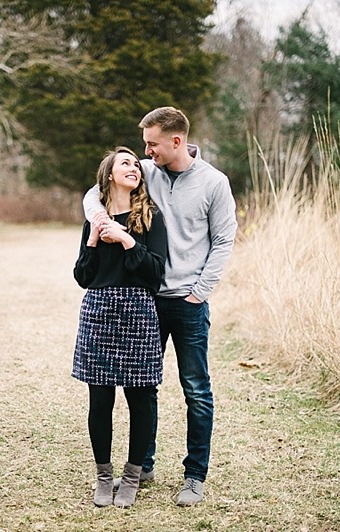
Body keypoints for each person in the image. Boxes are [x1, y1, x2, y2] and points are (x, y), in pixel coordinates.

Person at [83, 107, 237, 506]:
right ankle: (143, 464)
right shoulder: (146, 172)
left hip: (187, 302)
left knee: (196, 390)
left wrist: (199, 291)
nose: (145, 150)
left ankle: (194, 476)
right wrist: (101, 222)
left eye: (152, 143)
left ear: (176, 140)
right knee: (144, 386)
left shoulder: (213, 183)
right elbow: (94, 192)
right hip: (144, 301)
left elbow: (223, 240)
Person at [72, 146, 168, 509]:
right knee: (100, 399)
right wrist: (95, 240)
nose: (134, 168)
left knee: (140, 398)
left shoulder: (149, 220)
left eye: (136, 165)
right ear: (109, 174)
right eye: (125, 163)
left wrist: (128, 240)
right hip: (98, 311)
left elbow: (156, 273)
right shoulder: (92, 221)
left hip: (139, 311)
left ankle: (131, 476)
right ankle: (102, 475)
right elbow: (82, 277)